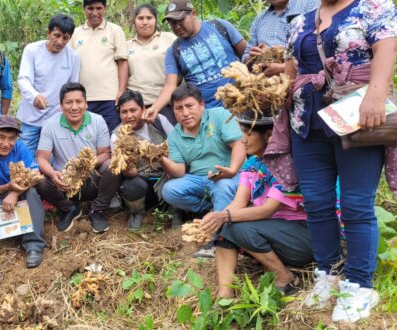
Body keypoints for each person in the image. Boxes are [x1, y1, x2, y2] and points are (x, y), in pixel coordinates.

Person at [284, 0, 397, 322]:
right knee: (317, 202)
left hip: (358, 118)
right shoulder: (300, 22)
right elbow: (293, 69)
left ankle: (360, 284)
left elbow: (386, 51)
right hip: (307, 123)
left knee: (355, 204)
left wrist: (376, 96)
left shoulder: (375, 7)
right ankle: (328, 273)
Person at [199, 110, 312, 299]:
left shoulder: (286, 164)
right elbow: (238, 203)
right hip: (272, 232)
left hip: (300, 236)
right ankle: (224, 294)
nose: (243, 139)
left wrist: (224, 216)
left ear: (268, 136)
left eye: (248, 133)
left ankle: (286, 277)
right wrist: (212, 220)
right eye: (242, 131)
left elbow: (268, 210)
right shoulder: (252, 163)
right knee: (224, 227)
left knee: (236, 227)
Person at [161, 84, 245, 257]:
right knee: (169, 190)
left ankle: (217, 239)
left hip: (229, 176)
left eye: (189, 106)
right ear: (173, 111)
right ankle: (213, 209)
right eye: (179, 108)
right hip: (200, 179)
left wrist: (232, 169)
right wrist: (160, 158)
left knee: (222, 185)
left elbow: (238, 144)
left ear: (202, 105)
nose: (185, 113)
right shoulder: (174, 135)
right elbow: (179, 171)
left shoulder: (220, 115)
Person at [36, 82, 121, 233]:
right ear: (61, 106)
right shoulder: (50, 124)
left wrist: (86, 165)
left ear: (86, 104)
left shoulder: (97, 121)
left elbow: (105, 153)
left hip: (90, 179)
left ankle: (97, 210)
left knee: (113, 164)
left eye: (79, 101)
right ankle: (68, 209)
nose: (74, 107)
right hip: (63, 182)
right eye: (69, 102)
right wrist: (52, 174)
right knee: (40, 180)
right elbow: (41, 158)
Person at [143, 0, 247, 122]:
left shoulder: (220, 27)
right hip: (208, 115)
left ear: (193, 14)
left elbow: (247, 55)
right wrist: (155, 108)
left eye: (180, 20)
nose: (176, 27)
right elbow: (170, 85)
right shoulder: (174, 51)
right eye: (172, 23)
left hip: (241, 103)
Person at [0, 115, 47, 268]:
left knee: (31, 193)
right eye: (1, 137)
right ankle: (10, 234)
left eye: (11, 139)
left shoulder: (20, 147)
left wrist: (14, 193)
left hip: (19, 190)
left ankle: (33, 245)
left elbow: (35, 175)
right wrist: (8, 187)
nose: (6, 144)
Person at [17, 14, 80, 156]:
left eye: (65, 38)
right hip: (31, 116)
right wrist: (35, 96)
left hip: (56, 117)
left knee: (53, 158)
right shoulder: (32, 50)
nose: (59, 41)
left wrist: (64, 109)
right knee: (26, 156)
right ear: (48, 32)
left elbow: (73, 88)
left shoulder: (73, 57)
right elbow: (23, 79)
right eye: (56, 35)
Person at [111, 90, 174, 229]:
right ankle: (137, 213)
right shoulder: (117, 136)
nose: (129, 116)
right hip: (142, 181)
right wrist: (129, 167)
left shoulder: (159, 121)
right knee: (130, 185)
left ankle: (175, 212)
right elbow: (126, 173)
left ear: (143, 109)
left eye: (133, 110)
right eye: (124, 112)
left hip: (165, 176)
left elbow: (178, 144)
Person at [70, 0, 128, 132]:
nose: (95, 13)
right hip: (82, 99)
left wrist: (121, 91)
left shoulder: (115, 30)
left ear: (105, 8)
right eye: (90, 8)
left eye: (99, 8)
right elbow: (68, 64)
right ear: (84, 9)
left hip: (109, 98)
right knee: (86, 139)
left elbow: (122, 62)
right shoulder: (75, 33)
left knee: (111, 138)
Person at [126, 4, 178, 124]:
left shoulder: (169, 39)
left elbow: (181, 68)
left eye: (149, 18)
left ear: (155, 20)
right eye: (140, 18)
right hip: (136, 106)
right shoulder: (127, 45)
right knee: (135, 142)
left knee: (168, 141)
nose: (145, 22)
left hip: (165, 102)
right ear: (134, 21)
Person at [242, 0, 318, 76]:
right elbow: (245, 58)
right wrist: (251, 58)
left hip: (302, 79)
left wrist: (284, 67)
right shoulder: (259, 20)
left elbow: (321, 47)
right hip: (267, 82)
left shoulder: (310, 4)